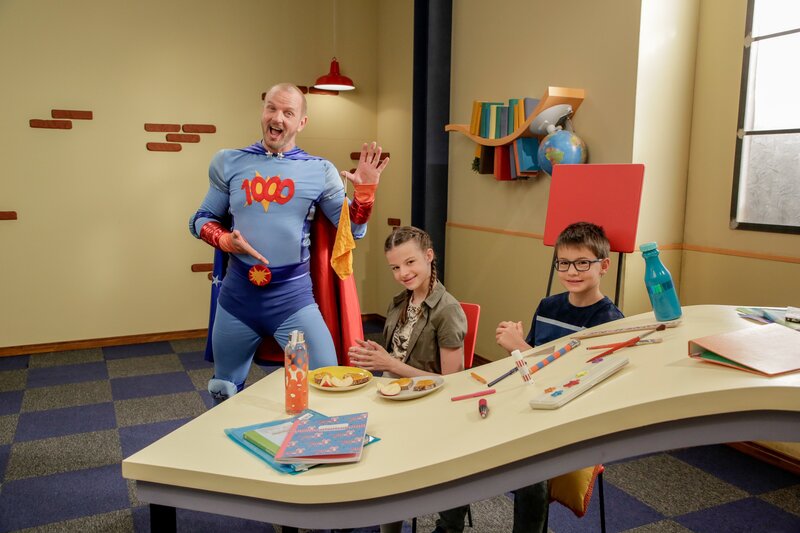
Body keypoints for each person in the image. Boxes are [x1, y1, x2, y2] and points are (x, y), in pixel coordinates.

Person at [189, 82, 389, 404]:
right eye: (271, 108)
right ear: (263, 111)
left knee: (326, 383)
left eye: (288, 112)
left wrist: (364, 194)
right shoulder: (229, 162)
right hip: (238, 298)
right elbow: (200, 219)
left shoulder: (319, 171)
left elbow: (350, 232)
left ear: (302, 122)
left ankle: (311, 438)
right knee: (223, 390)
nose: (277, 118)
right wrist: (225, 240)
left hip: (293, 301)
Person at [495, 221, 624, 533]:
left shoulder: (610, 321)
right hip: (534, 405)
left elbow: (577, 382)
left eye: (582, 263)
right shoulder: (548, 306)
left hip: (574, 417)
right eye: (563, 263)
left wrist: (520, 348)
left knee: (530, 468)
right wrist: (521, 353)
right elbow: (529, 370)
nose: (572, 271)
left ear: (604, 266)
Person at [347, 225, 468, 533]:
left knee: (381, 449)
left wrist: (389, 364)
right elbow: (396, 355)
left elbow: (453, 383)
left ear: (429, 256)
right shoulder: (400, 302)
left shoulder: (447, 310)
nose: (403, 273)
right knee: (342, 420)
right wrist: (378, 355)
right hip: (392, 394)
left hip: (429, 406)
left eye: (410, 262)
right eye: (395, 267)